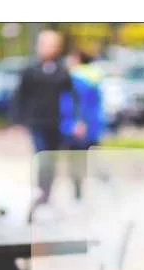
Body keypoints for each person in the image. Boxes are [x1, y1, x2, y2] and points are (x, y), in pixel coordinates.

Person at [12, 29, 84, 203]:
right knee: (43, 158)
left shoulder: (62, 71)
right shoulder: (30, 70)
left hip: (57, 124)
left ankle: (50, 193)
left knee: (53, 159)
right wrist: (18, 120)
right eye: (45, 44)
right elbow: (19, 96)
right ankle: (42, 195)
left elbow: (73, 96)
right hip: (37, 122)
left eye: (52, 45)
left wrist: (77, 120)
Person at [59, 50, 106, 200]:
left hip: (78, 127)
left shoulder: (74, 79)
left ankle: (79, 194)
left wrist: (73, 124)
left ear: (77, 59)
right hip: (92, 126)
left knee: (77, 162)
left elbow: (73, 105)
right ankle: (106, 186)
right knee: (92, 159)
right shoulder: (95, 76)